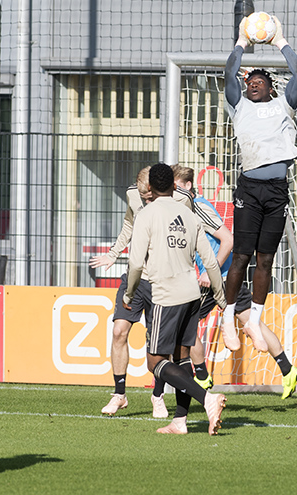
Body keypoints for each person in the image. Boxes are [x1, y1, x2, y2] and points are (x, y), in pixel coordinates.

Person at [222, 15, 297, 394]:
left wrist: (280, 41)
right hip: (249, 189)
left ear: (271, 87)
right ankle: (228, 315)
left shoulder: (284, 105)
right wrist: (242, 41)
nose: (253, 84)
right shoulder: (239, 106)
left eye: (259, 82)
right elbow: (229, 72)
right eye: (249, 81)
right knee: (241, 256)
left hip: (277, 191)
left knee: (266, 259)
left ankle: (254, 320)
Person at [172, 165, 297, 399]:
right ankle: (287, 369)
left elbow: (228, 240)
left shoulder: (198, 207)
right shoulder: (186, 210)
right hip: (220, 279)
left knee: (184, 326)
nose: (173, 193)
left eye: (176, 187)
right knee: (252, 324)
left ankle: (202, 377)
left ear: (187, 186)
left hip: (216, 281)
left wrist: (208, 273)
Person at [88, 165, 204, 419]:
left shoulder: (182, 199)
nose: (147, 201)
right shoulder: (133, 194)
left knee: (158, 345)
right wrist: (113, 253)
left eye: (149, 198)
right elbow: (129, 225)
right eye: (144, 198)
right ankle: (119, 394)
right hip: (137, 278)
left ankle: (158, 397)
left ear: (155, 189)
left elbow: (190, 234)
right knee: (119, 330)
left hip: (164, 282)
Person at [124, 163, 228, 435]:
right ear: (173, 185)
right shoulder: (189, 214)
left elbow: (135, 264)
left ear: (148, 188)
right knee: (182, 359)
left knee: (155, 362)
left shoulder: (147, 215)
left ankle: (207, 399)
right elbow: (210, 262)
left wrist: (129, 293)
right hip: (192, 294)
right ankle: (180, 421)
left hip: (165, 296)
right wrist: (220, 296)